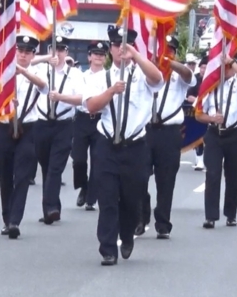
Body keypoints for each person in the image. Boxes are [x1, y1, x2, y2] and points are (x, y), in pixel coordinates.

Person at [83, 26, 162, 266]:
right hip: (107, 145)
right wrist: (111, 91)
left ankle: (127, 234)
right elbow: (91, 106)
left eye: (125, 45)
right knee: (107, 199)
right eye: (117, 46)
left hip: (135, 146)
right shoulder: (100, 78)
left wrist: (137, 57)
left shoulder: (141, 74)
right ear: (110, 49)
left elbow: (157, 79)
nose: (121, 50)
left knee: (131, 198)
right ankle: (107, 248)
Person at [138, 34, 195, 239]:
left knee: (166, 180)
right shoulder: (144, 73)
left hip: (169, 133)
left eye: (169, 50)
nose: (164, 53)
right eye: (162, 49)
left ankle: (162, 223)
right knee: (139, 176)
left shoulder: (178, 76)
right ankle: (141, 215)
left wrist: (168, 62)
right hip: (145, 131)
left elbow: (189, 75)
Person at [0, 34, 48, 240]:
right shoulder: (1, 72)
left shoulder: (36, 71)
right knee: (5, 176)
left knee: (23, 176)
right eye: (20, 51)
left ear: (33, 54)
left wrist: (23, 72)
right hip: (4, 127)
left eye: (28, 52)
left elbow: (44, 87)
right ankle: (7, 218)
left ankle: (15, 220)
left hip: (29, 128)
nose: (23, 55)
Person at [197, 51, 237, 228]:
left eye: (228, 66)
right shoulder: (209, 86)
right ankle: (210, 216)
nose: (225, 69)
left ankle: (231, 214)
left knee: (234, 176)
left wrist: (233, 62)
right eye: (222, 66)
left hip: (234, 134)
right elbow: (198, 114)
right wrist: (212, 119)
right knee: (212, 174)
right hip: (214, 134)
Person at [34, 36, 81, 224]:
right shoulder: (41, 68)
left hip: (63, 124)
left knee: (55, 167)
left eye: (61, 50)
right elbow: (23, 62)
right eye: (54, 49)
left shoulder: (75, 74)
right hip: (42, 123)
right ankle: (50, 207)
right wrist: (45, 58)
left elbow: (81, 98)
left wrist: (61, 97)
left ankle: (51, 206)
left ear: (67, 53)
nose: (58, 53)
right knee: (46, 166)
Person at [66, 41, 108, 211]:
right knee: (79, 159)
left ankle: (91, 197)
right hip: (83, 118)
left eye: (102, 54)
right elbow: (77, 97)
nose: (98, 57)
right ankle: (83, 186)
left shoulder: (109, 77)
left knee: (98, 160)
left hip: (100, 119)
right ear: (89, 57)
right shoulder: (80, 76)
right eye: (95, 53)